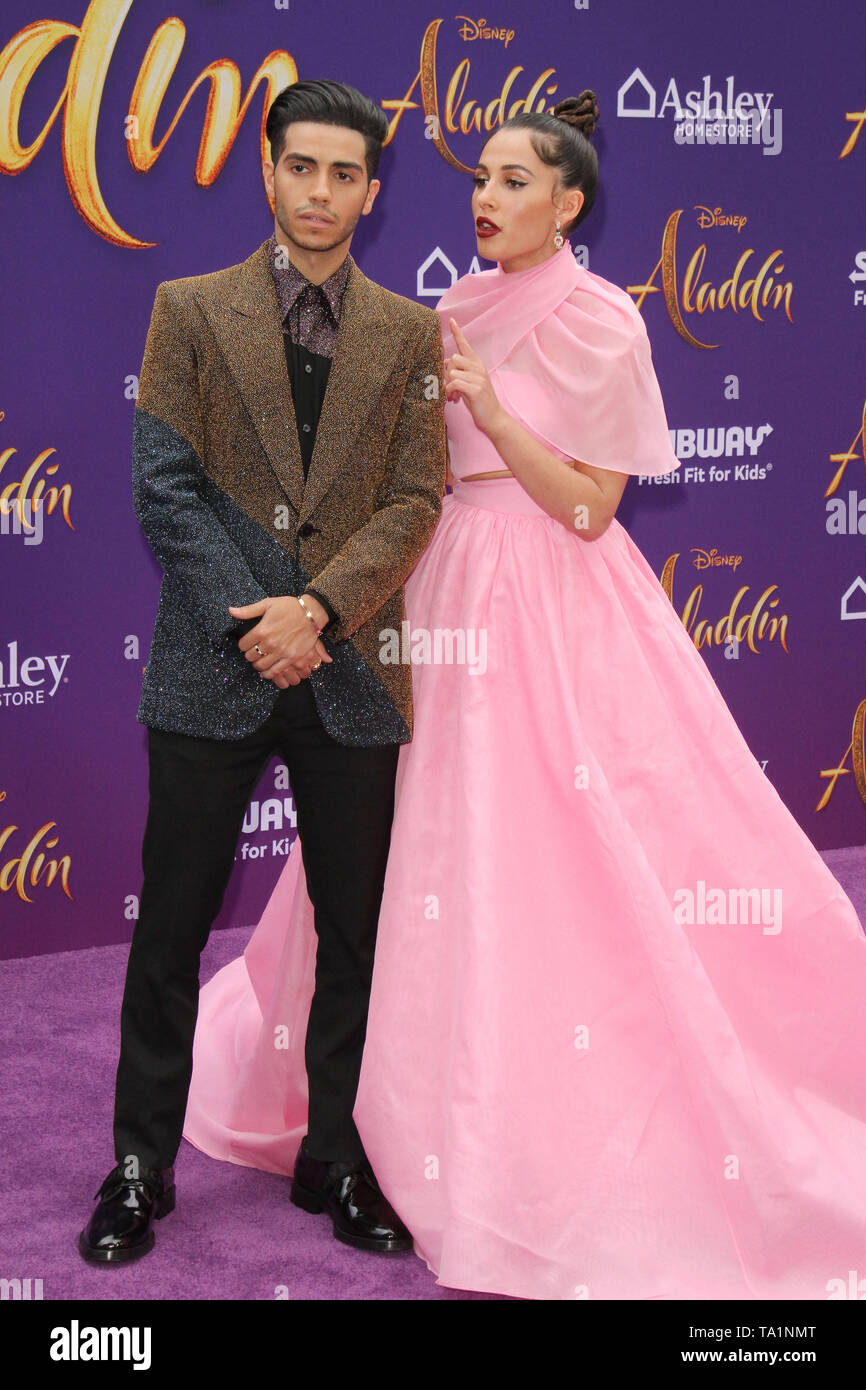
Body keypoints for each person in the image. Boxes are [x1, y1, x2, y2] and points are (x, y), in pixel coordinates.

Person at [184, 91, 866, 1300]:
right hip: (437, 594)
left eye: (511, 181)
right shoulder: (442, 308)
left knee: (561, 850)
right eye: (479, 179)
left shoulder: (602, 319)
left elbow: (591, 505)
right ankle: (363, 1111)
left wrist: (489, 408)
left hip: (554, 602)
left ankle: (549, 1118)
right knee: (399, 847)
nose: (486, 199)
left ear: (567, 202)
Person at [78, 79, 447, 1264]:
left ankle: (336, 1159)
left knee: (356, 934)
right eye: (303, 168)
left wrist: (323, 610)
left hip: (348, 673)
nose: (322, 192)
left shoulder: (405, 330)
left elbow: (415, 494)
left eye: (346, 174)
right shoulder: (187, 308)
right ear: (269, 173)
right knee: (172, 925)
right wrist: (261, 621)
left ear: (372, 192)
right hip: (211, 666)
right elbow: (164, 488)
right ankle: (139, 1165)